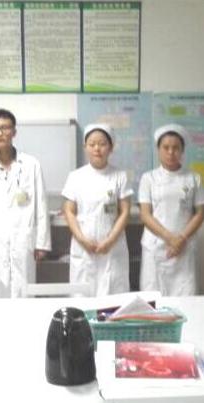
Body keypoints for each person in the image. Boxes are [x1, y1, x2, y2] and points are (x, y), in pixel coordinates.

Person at [0, 109, 50, 299]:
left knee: (24, 296)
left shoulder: (31, 165)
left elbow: (41, 205)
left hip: (23, 243)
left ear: (14, 132)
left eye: (4, 128)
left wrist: (42, 243)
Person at [62, 123, 132, 295]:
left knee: (113, 296)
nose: (97, 149)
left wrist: (110, 241)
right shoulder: (75, 177)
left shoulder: (120, 176)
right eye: (92, 144)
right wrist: (82, 240)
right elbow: (69, 211)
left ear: (111, 147)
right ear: (85, 147)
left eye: (102, 144)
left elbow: (125, 211)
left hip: (112, 247)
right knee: (82, 297)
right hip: (84, 246)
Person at [139, 124, 204, 295]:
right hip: (155, 247)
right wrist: (170, 239)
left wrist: (181, 239)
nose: (171, 152)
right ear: (158, 150)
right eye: (166, 147)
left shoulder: (194, 178)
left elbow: (200, 214)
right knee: (153, 299)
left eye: (176, 148)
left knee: (185, 299)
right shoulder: (148, 178)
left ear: (182, 150)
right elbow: (145, 215)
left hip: (184, 248)